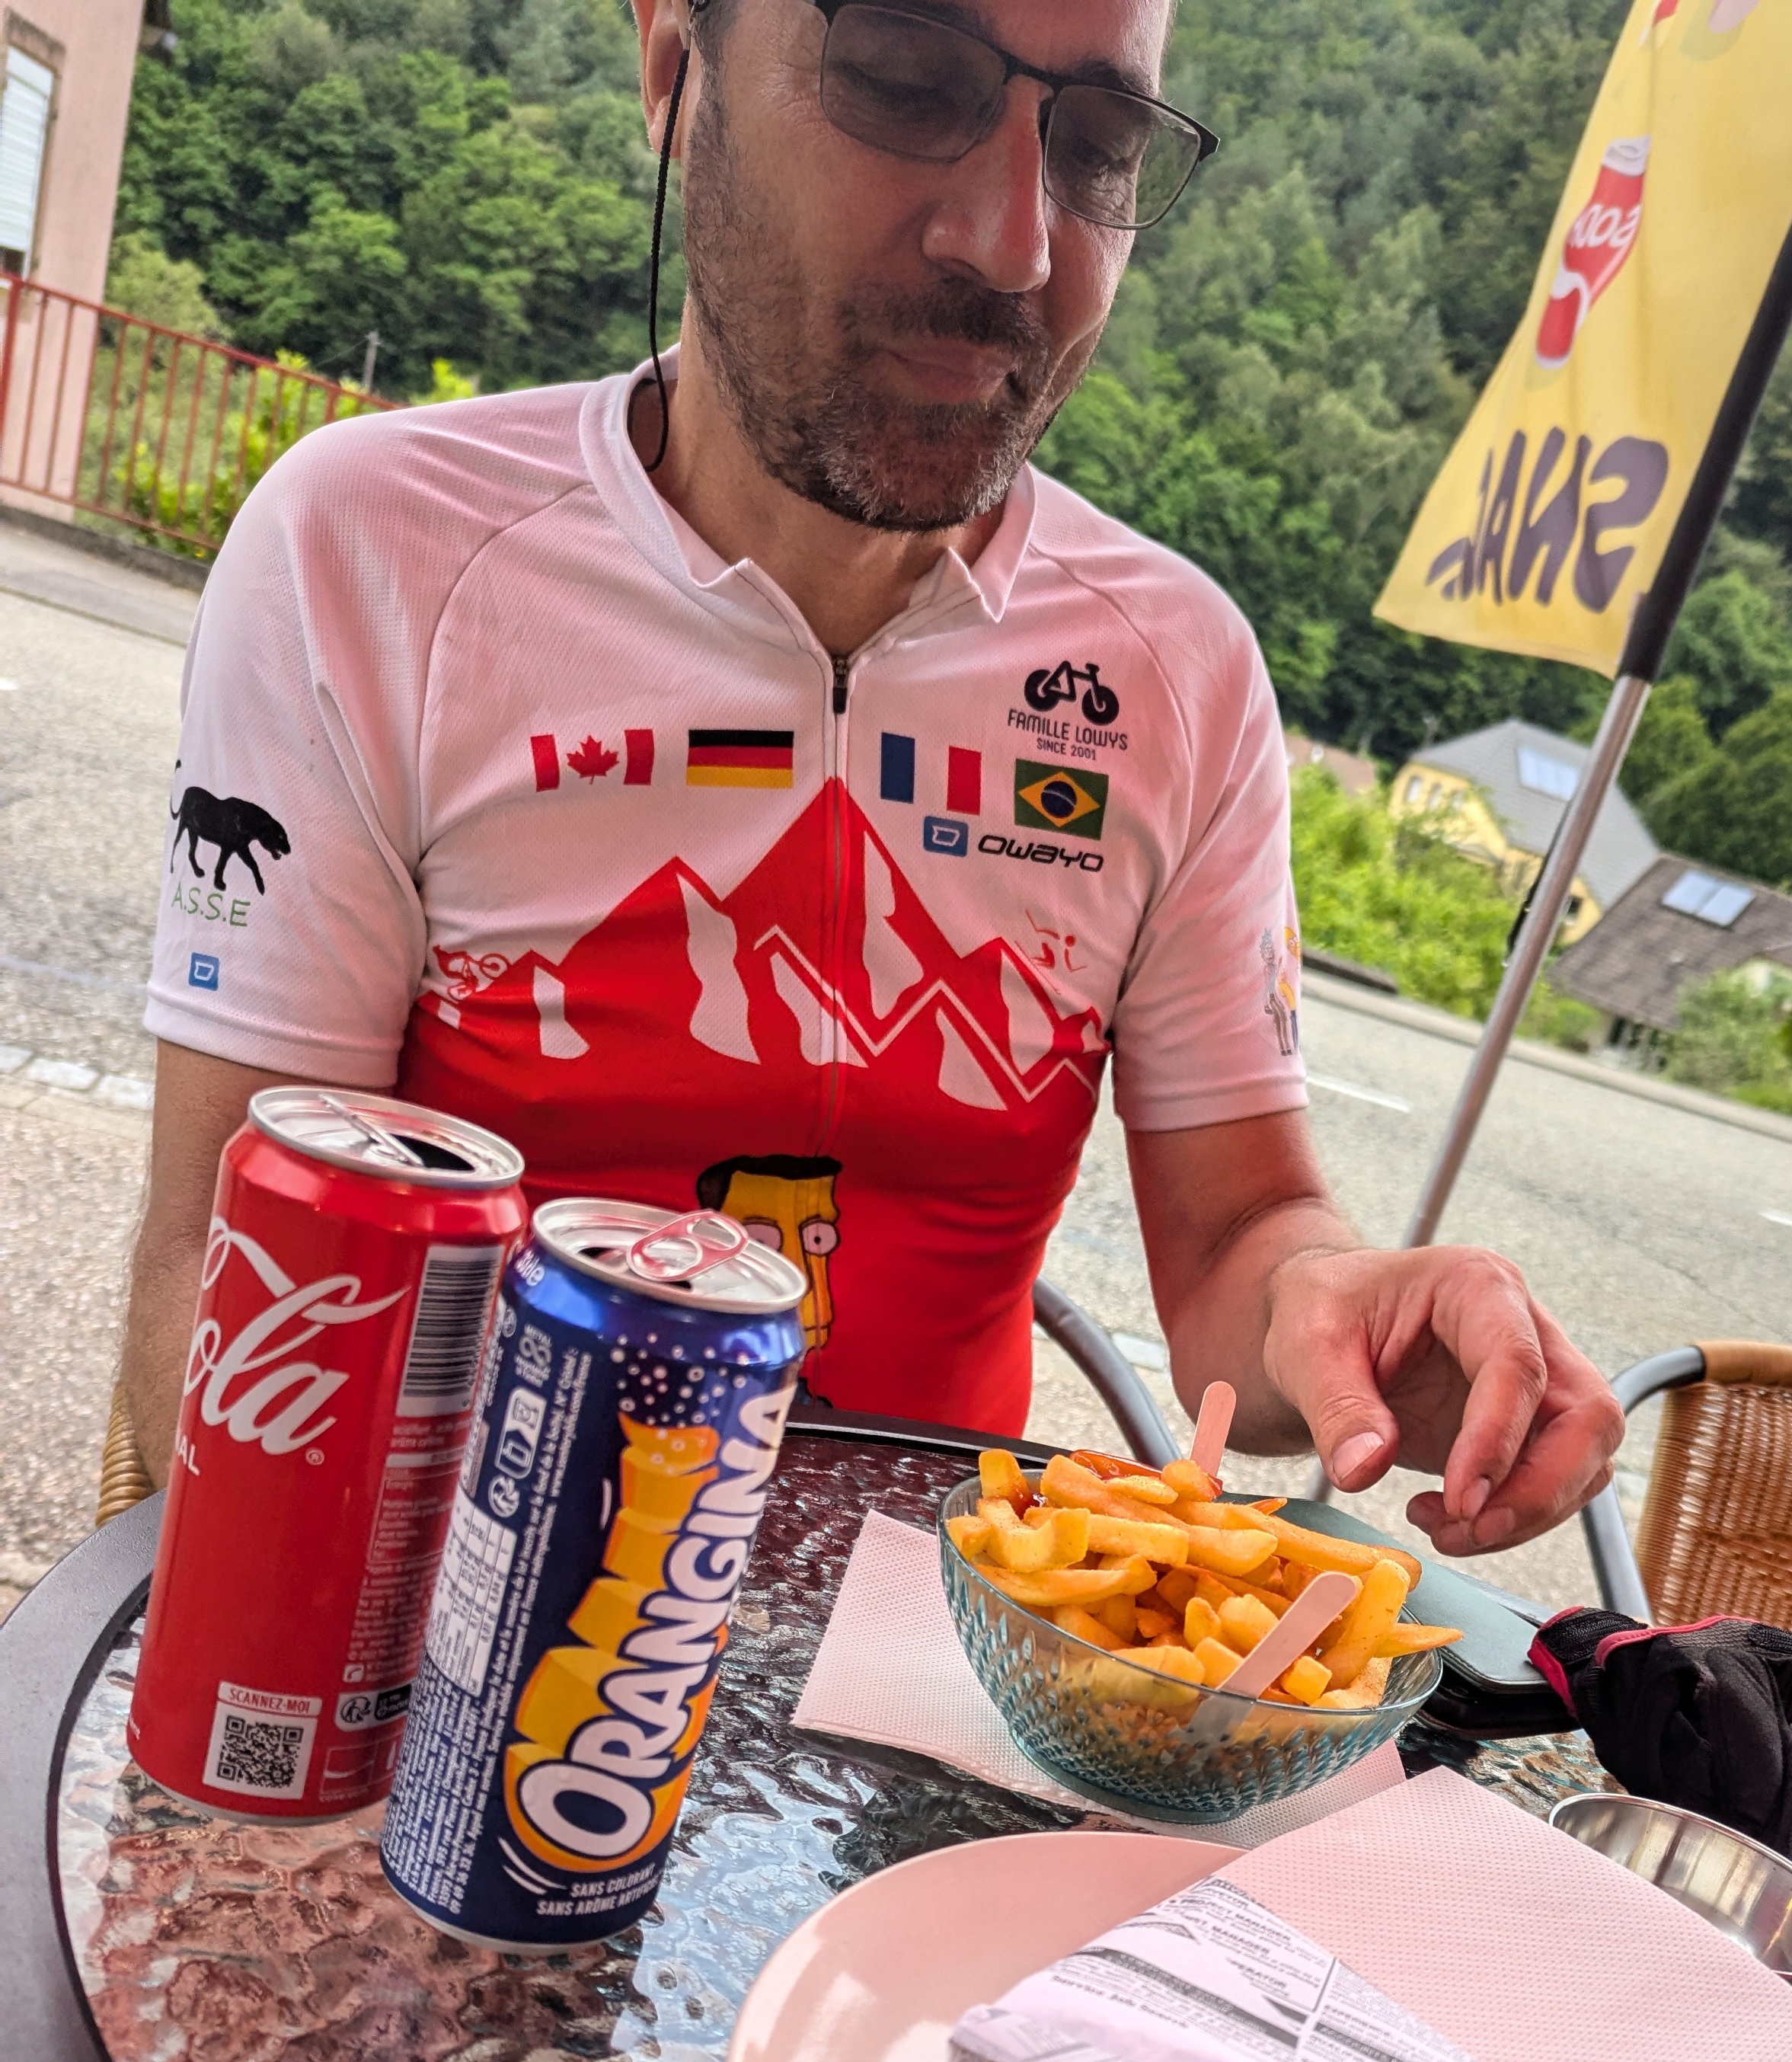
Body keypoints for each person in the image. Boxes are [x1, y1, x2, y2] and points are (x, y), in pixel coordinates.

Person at [123, 0, 1621, 1559]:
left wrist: (1340, 1306)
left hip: (920, 1650)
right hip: (439, 1604)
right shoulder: (376, 554)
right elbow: (228, 1262)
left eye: (1098, 147)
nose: (1016, 245)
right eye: (906, 81)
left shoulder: (1174, 671)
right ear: (673, 68)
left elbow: (1240, 1234)